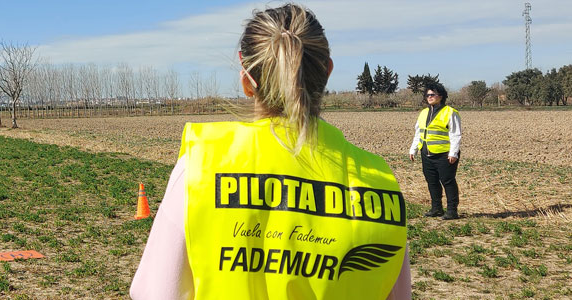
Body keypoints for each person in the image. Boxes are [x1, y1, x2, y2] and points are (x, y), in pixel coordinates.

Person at [131, 3, 411, 299]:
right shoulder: (380, 185)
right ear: (327, 71)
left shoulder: (201, 169)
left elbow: (156, 292)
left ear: (246, 79)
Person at [409, 82, 462, 220]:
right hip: (426, 153)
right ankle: (436, 208)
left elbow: (455, 134)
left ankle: (452, 211)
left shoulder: (450, 112)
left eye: (432, 94)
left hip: (444, 155)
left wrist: (453, 153)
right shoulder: (423, 113)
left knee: (448, 181)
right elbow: (419, 133)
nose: (429, 97)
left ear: (441, 95)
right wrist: (413, 149)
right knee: (431, 181)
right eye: (427, 95)